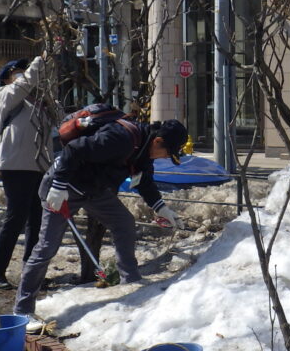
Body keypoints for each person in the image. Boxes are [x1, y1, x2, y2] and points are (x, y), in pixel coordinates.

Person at [13, 116, 188, 333]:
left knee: (124, 222)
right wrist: (58, 186)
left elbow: (143, 181)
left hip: (94, 192)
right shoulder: (120, 137)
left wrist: (162, 208)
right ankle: (22, 310)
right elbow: (73, 150)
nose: (164, 158)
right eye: (167, 154)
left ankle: (130, 280)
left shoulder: (143, 152)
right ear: (158, 141)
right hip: (62, 189)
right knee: (47, 247)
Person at [0, 56, 53, 290]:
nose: (22, 74)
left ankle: (31, 271)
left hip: (38, 165)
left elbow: (60, 118)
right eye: (17, 71)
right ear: (6, 78)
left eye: (24, 70)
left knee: (36, 219)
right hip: (15, 164)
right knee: (16, 217)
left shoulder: (36, 100)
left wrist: (48, 96)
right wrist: (40, 61)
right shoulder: (4, 95)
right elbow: (22, 85)